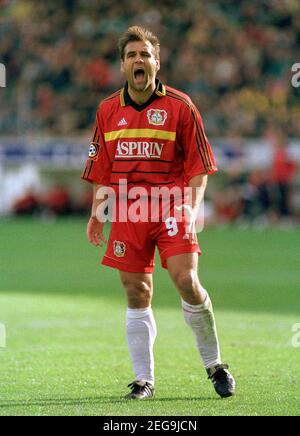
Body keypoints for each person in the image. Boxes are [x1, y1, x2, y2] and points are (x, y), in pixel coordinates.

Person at [82, 26, 235, 400]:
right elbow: (101, 166)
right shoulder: (106, 111)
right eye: (132, 55)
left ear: (157, 62)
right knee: (137, 291)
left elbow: (199, 167)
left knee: (187, 281)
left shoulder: (181, 107)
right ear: (123, 65)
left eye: (145, 55)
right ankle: (143, 380)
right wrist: (97, 213)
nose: (139, 60)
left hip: (171, 208)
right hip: (128, 212)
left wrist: (192, 208)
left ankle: (215, 365)